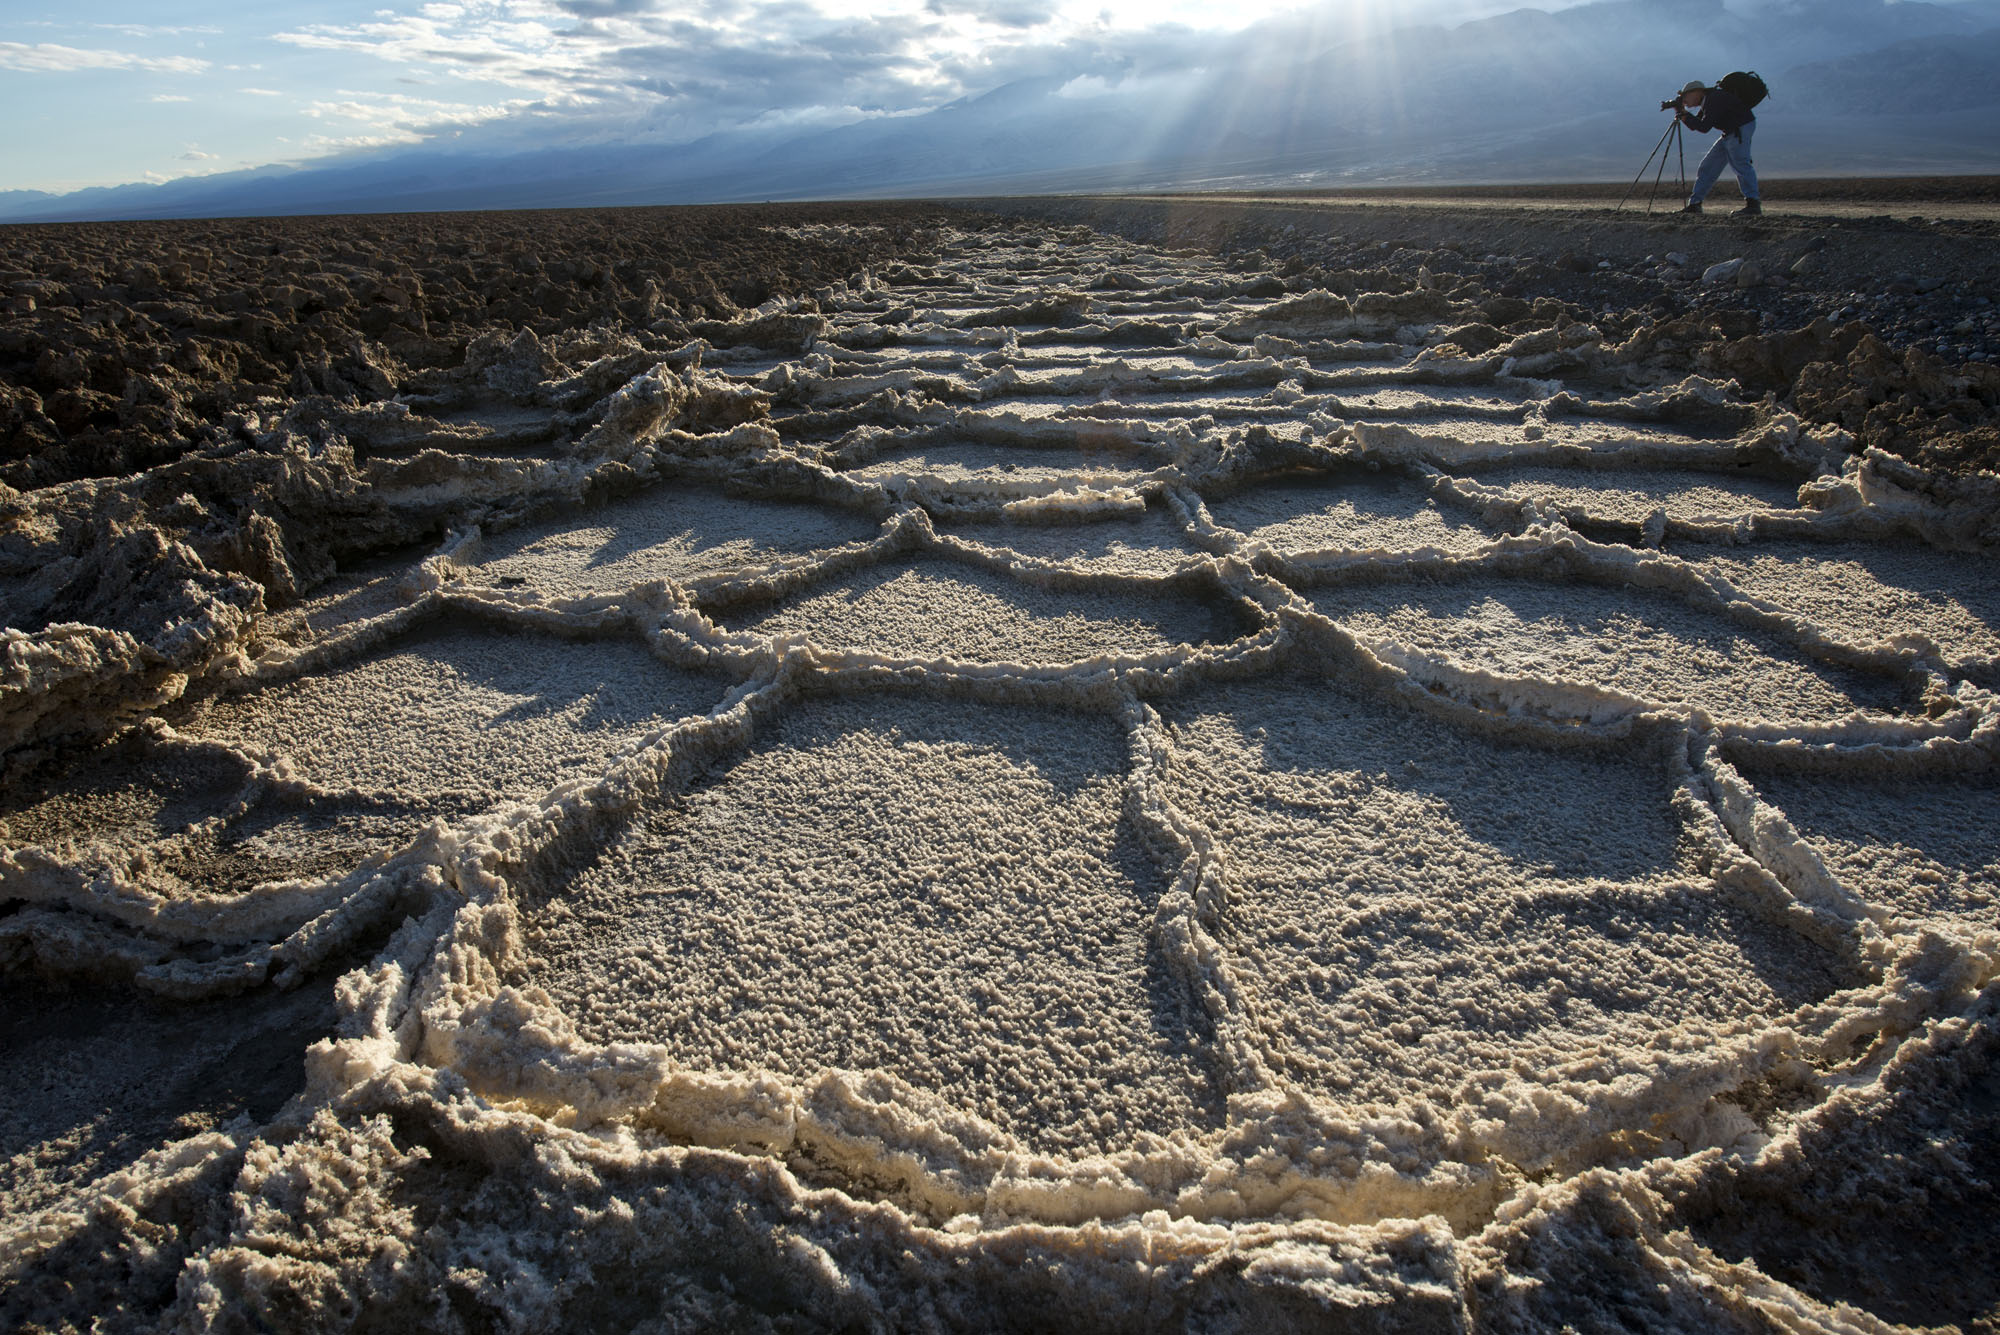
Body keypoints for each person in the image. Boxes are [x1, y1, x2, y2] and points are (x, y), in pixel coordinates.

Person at [1671, 79, 1760, 216]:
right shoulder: (1707, 101)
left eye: (1685, 96)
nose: (1684, 100)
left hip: (1739, 129)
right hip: (1730, 132)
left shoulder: (1713, 99)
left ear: (1697, 92)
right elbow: (1697, 125)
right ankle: (1695, 205)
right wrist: (1683, 113)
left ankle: (1753, 205)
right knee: (1708, 166)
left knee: (1740, 164)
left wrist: (1684, 113)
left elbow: (1704, 127)